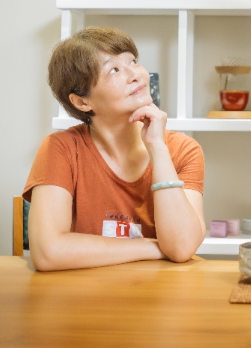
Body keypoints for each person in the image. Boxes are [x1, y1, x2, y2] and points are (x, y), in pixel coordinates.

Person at [24, 27, 205, 271]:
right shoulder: (61, 149)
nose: (136, 75)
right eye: (114, 70)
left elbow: (182, 247)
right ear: (82, 101)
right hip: (81, 301)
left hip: (158, 300)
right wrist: (154, 247)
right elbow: (48, 253)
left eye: (133, 61)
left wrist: (158, 148)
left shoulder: (183, 150)